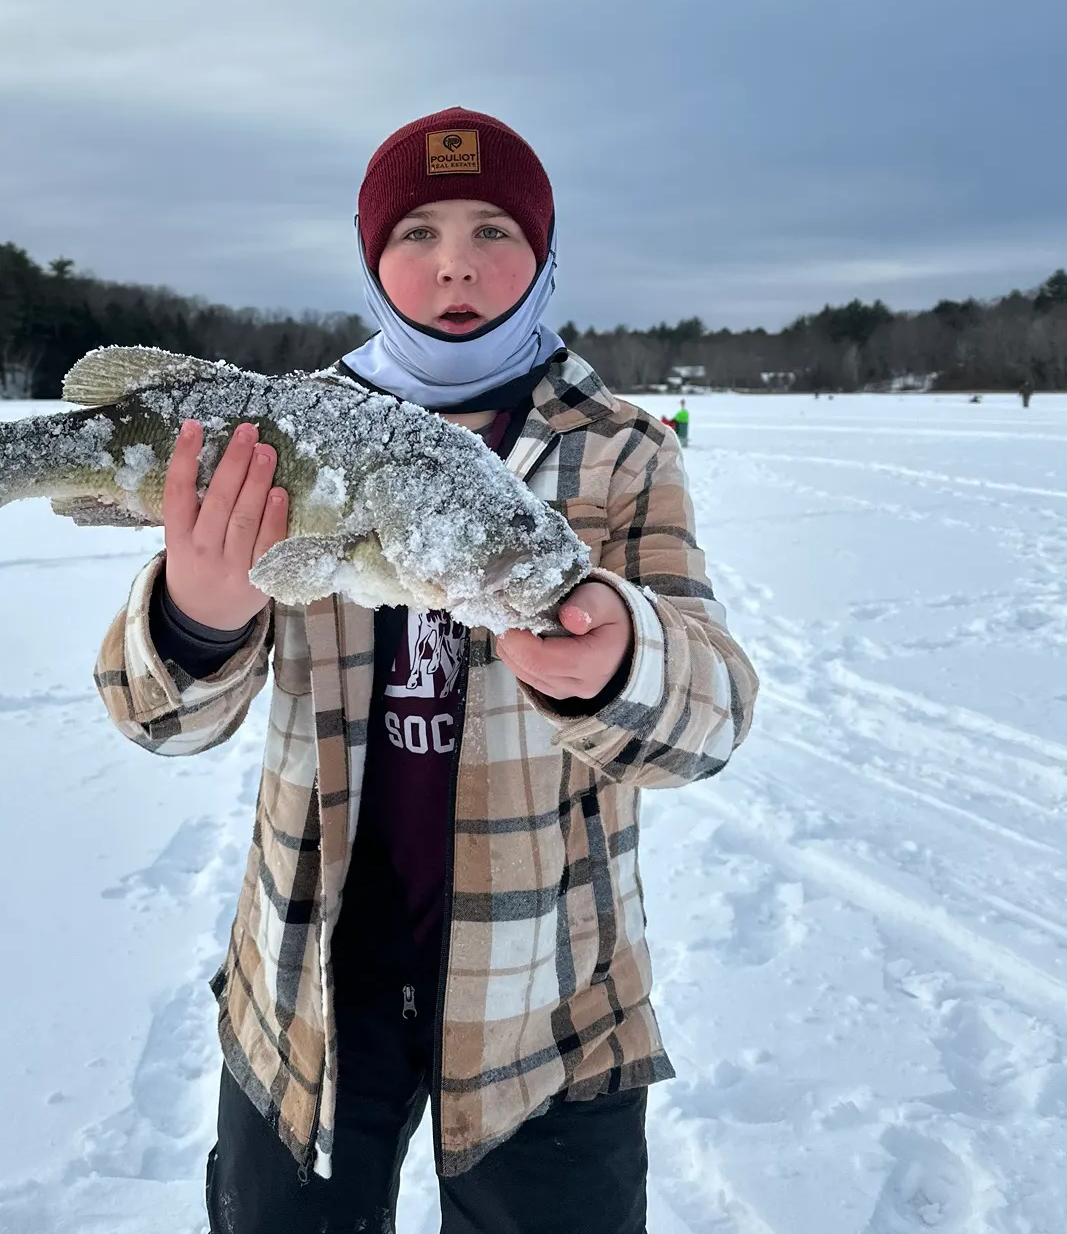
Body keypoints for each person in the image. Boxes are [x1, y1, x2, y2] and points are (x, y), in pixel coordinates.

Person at [94, 108, 758, 1234]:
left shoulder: (622, 446)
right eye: (417, 232)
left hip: (548, 1001)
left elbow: (709, 721)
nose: (455, 260)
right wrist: (200, 617)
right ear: (371, 262)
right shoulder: (280, 437)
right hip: (308, 986)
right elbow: (161, 724)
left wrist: (618, 663)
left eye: (495, 228)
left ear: (544, 258)